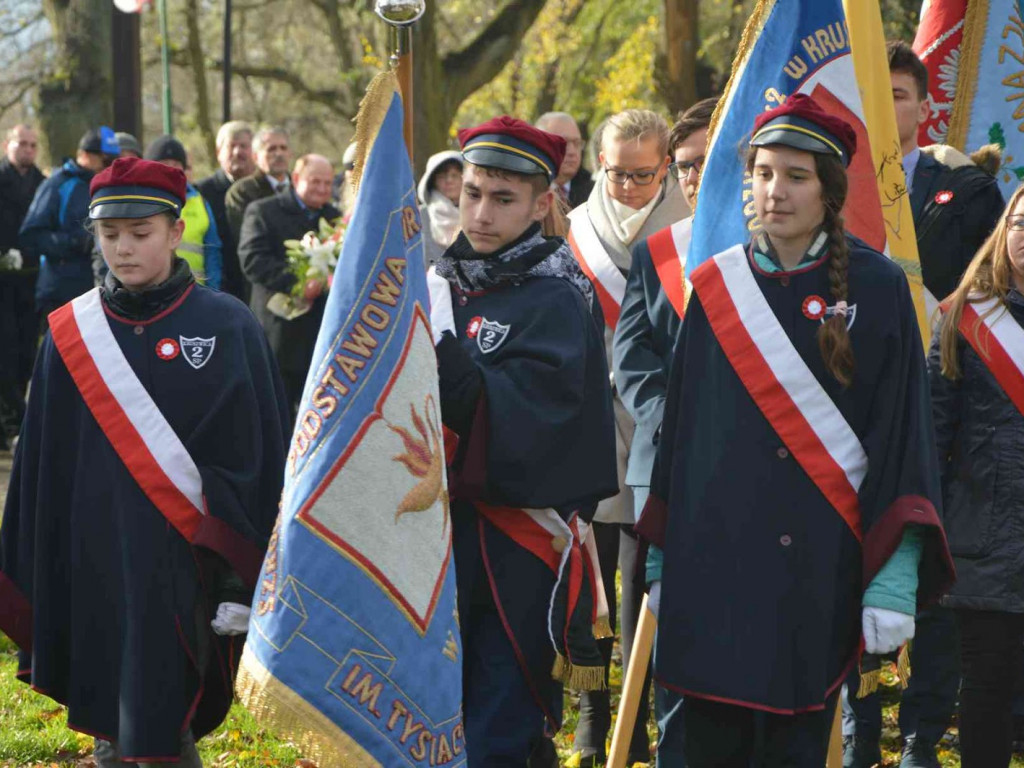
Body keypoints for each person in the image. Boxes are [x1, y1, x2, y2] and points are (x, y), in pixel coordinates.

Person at [638, 94, 955, 767]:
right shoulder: (716, 284)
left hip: (814, 568)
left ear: (830, 190)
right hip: (711, 566)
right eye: (761, 173)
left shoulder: (879, 286)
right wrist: (663, 554)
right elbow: (683, 432)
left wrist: (892, 577)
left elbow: (902, 438)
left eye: (795, 176)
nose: (772, 192)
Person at [0, 157, 291, 767]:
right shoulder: (68, 332)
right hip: (95, 557)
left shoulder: (228, 325)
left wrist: (240, 573)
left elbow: (255, 457)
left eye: (140, 234)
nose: (123, 250)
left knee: (162, 715)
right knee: (112, 707)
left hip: (183, 564)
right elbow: (42, 466)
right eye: (109, 236)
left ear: (174, 231)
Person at [428, 115, 617, 765]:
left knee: (499, 728)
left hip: (516, 547)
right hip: (432, 541)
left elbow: (548, 422)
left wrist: (457, 373)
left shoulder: (558, 296)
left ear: (542, 203)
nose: (480, 213)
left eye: (503, 199)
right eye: (472, 192)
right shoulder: (435, 284)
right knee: (434, 717)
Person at [841, 40, 1005, 768]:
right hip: (847, 404)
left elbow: (988, 286)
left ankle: (920, 735)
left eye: (898, 95)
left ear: (920, 105)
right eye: (874, 94)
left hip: (939, 408)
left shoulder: (963, 191)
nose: (887, 108)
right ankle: (857, 728)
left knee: (925, 566)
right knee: (852, 565)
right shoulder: (829, 185)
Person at [567, 107, 689, 766]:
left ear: (665, 167)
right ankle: (592, 710)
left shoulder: (691, 227)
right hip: (588, 420)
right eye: (615, 173)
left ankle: (640, 709)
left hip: (657, 423)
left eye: (643, 175)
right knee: (590, 579)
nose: (627, 188)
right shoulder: (574, 227)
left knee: (643, 579)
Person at [612, 96, 717, 767]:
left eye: (710, 161)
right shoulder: (659, 253)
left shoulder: (773, 259)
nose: (694, 176)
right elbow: (632, 355)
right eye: (684, 165)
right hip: (666, 471)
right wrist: (671, 421)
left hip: (755, 479)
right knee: (662, 627)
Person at [928, 187, 1024, 768]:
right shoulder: (964, 317)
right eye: (1019, 222)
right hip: (985, 538)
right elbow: (932, 436)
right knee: (985, 690)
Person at [238, 153, 340, 411]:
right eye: (315, 182)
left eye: (328, 183)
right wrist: (298, 283)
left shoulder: (336, 219)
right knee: (277, 415)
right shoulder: (263, 211)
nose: (322, 189)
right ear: (296, 179)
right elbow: (252, 259)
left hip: (320, 337)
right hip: (278, 337)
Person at [20, 126, 119, 321]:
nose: (109, 166)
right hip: (60, 294)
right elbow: (30, 235)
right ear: (83, 154)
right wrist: (76, 242)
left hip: (99, 293)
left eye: (114, 160)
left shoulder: (110, 187)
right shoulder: (58, 184)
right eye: (105, 159)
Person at [0, 124, 45, 448]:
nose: (27, 149)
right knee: (5, 349)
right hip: (2, 280)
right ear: (7, 145)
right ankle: (10, 421)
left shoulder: (43, 184)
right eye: (21, 143)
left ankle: (15, 420)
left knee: (27, 351)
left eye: (32, 145)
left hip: (31, 279)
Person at [144, 134, 223, 290]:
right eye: (164, 163)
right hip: (148, 293)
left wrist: (212, 293)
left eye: (176, 164)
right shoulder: (139, 200)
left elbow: (212, 251)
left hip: (194, 294)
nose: (170, 169)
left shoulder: (199, 201)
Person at [195, 121, 255, 301]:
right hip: (218, 288)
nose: (238, 152)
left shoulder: (264, 192)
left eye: (244, 146)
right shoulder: (202, 192)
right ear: (218, 152)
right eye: (232, 146)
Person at [225, 126, 291, 243]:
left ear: (290, 154)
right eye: (271, 149)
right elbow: (244, 236)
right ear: (255, 157)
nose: (279, 154)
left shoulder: (301, 189)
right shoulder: (241, 192)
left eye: (283, 148)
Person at [536, 111, 594, 207]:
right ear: (539, 145)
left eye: (576, 143)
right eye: (563, 144)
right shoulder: (524, 191)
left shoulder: (595, 194)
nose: (572, 152)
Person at [418, 150, 463, 269]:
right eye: (442, 176)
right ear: (433, 181)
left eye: (454, 175)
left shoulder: (479, 215)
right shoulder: (418, 216)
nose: (449, 181)